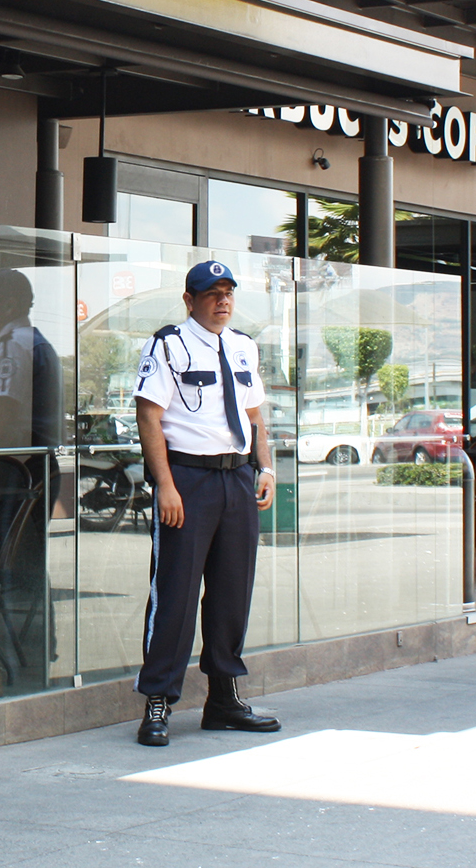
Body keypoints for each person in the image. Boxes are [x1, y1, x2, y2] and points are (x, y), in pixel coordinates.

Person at [131, 259, 281, 747]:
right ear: (189, 300)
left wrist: (266, 468)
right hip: (189, 480)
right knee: (174, 593)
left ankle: (224, 698)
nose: (222, 301)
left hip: (236, 478)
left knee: (231, 594)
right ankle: (158, 701)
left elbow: (255, 414)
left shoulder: (242, 347)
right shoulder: (168, 345)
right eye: (211, 293)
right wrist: (166, 486)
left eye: (228, 292)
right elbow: (149, 417)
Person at [0, 268, 60, 697]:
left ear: (6, 304)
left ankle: (15, 663)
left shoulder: (13, 346)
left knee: (2, 570)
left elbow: (3, 416)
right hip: (29, 469)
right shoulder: (31, 342)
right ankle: (26, 657)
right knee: (24, 567)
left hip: (12, 470)